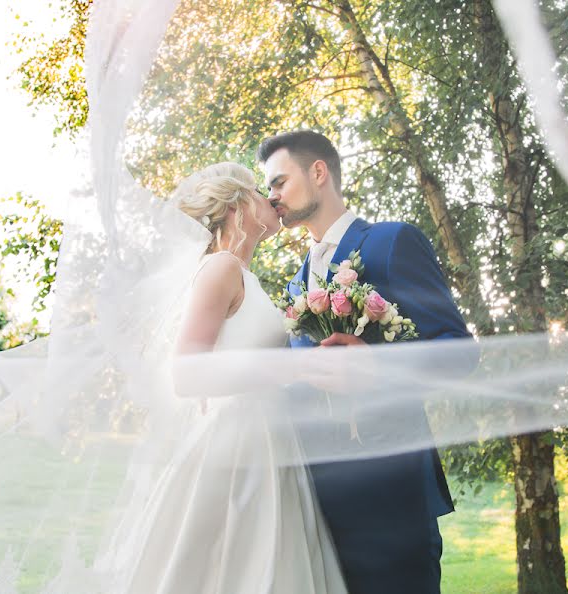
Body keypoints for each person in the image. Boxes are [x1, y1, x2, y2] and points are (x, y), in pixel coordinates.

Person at [106, 161, 348, 593]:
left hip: (270, 447)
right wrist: (296, 366)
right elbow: (187, 373)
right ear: (236, 208)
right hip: (236, 453)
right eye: (259, 192)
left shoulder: (245, 278)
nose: (272, 198)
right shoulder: (220, 268)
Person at [258, 130, 472, 594]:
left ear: (318, 172)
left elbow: (459, 352)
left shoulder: (393, 241)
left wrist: (377, 365)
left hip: (390, 497)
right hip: (313, 504)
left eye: (278, 182)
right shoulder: (297, 284)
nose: (271, 197)